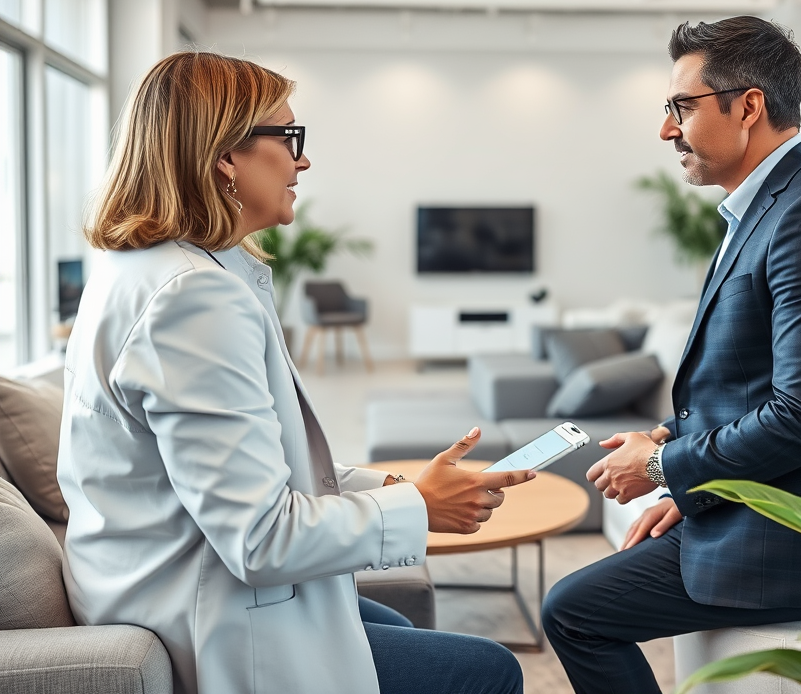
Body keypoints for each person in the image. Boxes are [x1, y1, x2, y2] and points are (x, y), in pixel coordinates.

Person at [56, 51, 532, 694]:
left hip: (161, 579)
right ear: (226, 155)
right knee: (491, 671)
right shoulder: (192, 299)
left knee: (391, 618)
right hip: (209, 618)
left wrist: (395, 481)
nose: (303, 160)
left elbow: (246, 465)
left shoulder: (142, 266)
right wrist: (418, 506)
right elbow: (259, 538)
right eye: (289, 137)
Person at [541, 16, 801, 694]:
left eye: (681, 108)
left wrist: (660, 465)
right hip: (760, 499)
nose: (665, 131)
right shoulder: (771, 207)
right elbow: (753, 384)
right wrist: (679, 461)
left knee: (573, 612)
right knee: (579, 599)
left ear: (748, 107)